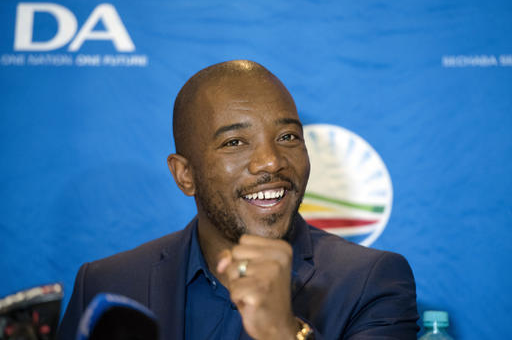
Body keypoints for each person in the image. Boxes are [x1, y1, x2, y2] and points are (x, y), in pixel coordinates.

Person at [57, 60, 419, 340]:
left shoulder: (371, 282)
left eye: (289, 136)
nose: (271, 161)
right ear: (185, 175)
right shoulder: (108, 283)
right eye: (234, 142)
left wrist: (285, 333)